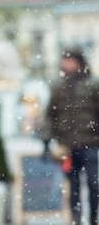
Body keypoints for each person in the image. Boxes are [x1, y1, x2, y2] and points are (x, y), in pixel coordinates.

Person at [42, 48, 99, 225]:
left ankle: (93, 219)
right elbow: (50, 115)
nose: (65, 64)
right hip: (67, 146)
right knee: (72, 187)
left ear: (78, 62)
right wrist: (46, 142)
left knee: (93, 185)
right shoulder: (57, 85)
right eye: (64, 60)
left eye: (69, 60)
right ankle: (76, 220)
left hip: (90, 144)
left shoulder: (93, 84)